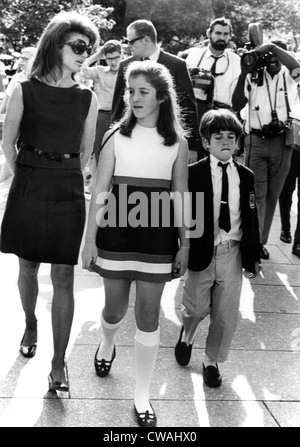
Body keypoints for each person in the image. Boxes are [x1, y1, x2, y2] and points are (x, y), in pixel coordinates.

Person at [81, 61, 190, 427]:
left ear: (161, 96)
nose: (135, 97)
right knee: (114, 310)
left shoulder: (178, 141)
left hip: (158, 233)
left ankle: (142, 395)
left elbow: (180, 194)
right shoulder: (115, 136)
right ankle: (107, 342)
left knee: (148, 314)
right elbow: (99, 191)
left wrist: (185, 244)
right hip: (116, 228)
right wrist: (89, 241)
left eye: (143, 91)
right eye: (131, 91)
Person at [0, 11, 99, 393]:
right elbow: (7, 143)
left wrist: (65, 172)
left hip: (67, 187)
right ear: (55, 45)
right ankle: (29, 321)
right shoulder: (23, 88)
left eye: (87, 49)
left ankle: (58, 363)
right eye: (77, 46)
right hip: (29, 181)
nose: (83, 53)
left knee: (63, 276)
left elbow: (86, 149)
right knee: (27, 267)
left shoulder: (86, 98)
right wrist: (26, 173)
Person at [175, 109, 260, 388]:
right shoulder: (193, 174)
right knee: (196, 307)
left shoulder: (246, 176)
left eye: (231, 137)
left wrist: (253, 257)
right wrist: (179, 247)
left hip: (231, 251)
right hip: (201, 249)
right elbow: (181, 213)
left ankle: (211, 360)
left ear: (238, 143)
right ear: (206, 142)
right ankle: (187, 334)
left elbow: (251, 216)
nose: (225, 141)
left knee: (226, 313)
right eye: (218, 136)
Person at [232, 39, 300, 260]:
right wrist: (245, 71)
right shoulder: (253, 76)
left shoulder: (289, 76)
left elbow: (295, 66)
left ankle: (260, 241)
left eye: (274, 57)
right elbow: (236, 103)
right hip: (256, 140)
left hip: (282, 142)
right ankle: (251, 242)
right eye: (266, 57)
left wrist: (271, 47)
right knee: (257, 194)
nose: (270, 60)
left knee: (272, 196)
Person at [111, 19, 199, 162]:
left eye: (131, 41)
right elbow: (118, 107)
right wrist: (115, 138)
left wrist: (192, 146)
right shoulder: (125, 65)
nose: (128, 46)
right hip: (132, 139)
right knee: (125, 181)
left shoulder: (177, 65)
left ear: (146, 39)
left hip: (166, 140)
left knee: (161, 181)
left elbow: (188, 107)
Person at [185, 17, 241, 158]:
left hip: (224, 114)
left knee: (220, 160)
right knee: (196, 159)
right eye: (218, 33)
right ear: (209, 33)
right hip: (199, 112)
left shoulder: (236, 61)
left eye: (225, 34)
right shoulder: (194, 56)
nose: (222, 37)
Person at [81, 39, 123, 165]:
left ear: (121, 55)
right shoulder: (100, 71)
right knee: (100, 150)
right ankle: (102, 182)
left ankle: (121, 185)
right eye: (109, 58)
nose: (113, 61)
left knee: (121, 153)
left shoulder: (127, 70)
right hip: (103, 115)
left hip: (121, 116)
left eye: (116, 57)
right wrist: (98, 55)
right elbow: (82, 68)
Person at [0, 47, 37, 115]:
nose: (20, 62)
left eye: (25, 59)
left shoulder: (42, 79)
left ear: (35, 61)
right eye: (20, 58)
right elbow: (5, 102)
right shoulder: (16, 78)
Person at [279, 150, 300, 257]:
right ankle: (285, 229)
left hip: (293, 150)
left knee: (286, 194)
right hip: (293, 149)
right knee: (286, 192)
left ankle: (298, 242)